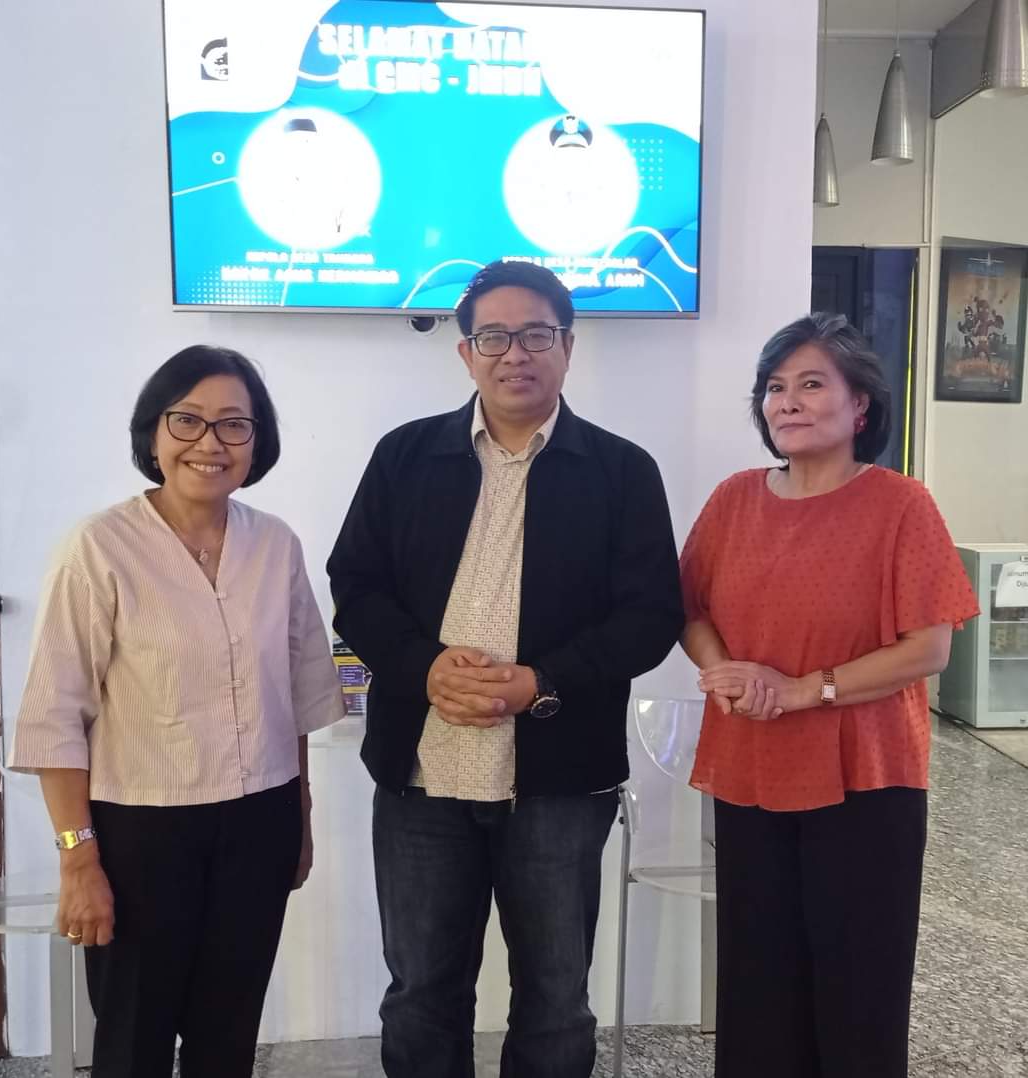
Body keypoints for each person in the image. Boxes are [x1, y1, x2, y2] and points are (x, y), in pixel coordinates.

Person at [327, 259, 684, 1078]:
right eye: (493, 336)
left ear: (568, 347)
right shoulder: (405, 456)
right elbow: (356, 585)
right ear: (466, 353)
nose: (514, 353)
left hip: (560, 779)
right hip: (423, 774)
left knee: (556, 999)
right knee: (421, 993)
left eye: (535, 335)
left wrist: (541, 682)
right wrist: (424, 669)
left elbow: (649, 616)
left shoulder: (622, 470)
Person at [8, 345, 345, 1078]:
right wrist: (78, 859)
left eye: (234, 424)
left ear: (257, 440)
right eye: (187, 419)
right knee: (134, 1038)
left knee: (228, 1034)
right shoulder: (99, 548)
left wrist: (301, 820)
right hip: (139, 833)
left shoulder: (275, 545)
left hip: (260, 822)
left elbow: (293, 698)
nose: (209, 442)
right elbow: (54, 720)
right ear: (154, 432)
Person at [679, 313, 979, 1078]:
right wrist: (725, 671)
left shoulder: (900, 505)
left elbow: (929, 648)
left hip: (866, 778)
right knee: (757, 981)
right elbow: (688, 609)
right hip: (751, 769)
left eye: (812, 384)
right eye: (775, 387)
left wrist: (802, 690)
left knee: (858, 985)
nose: (787, 401)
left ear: (860, 405)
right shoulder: (734, 500)